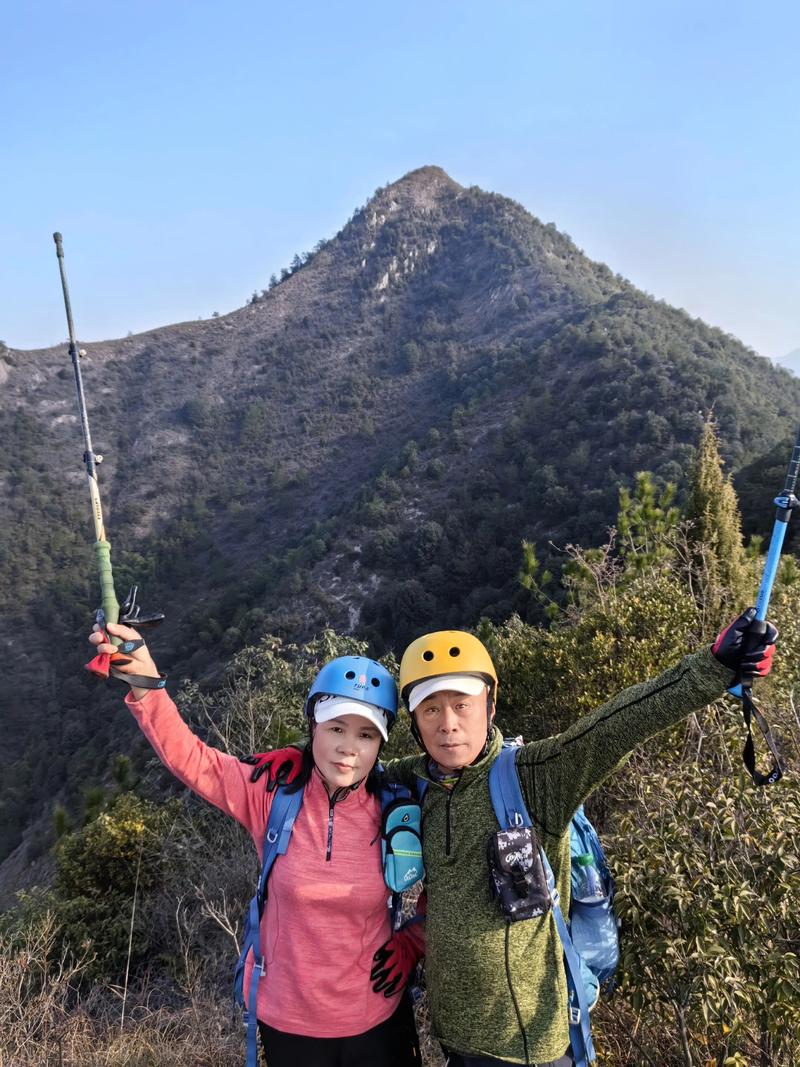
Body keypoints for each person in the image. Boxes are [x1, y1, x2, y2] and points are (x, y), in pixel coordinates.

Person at [249, 607, 778, 1066]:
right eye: (430, 708)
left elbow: (619, 724)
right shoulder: (414, 782)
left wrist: (712, 670)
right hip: (456, 1041)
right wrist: (300, 753)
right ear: (413, 721)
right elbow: (351, 764)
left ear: (491, 707)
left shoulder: (534, 776)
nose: (448, 723)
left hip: (533, 1046)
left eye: (463, 705)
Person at [89, 621, 423, 1067]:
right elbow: (193, 759)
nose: (348, 748)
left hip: (378, 1021)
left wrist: (414, 941)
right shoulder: (272, 793)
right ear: (313, 727)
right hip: (289, 1022)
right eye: (336, 728)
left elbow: (455, 876)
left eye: (365, 735)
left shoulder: (397, 807)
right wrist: (146, 683)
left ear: (380, 746)